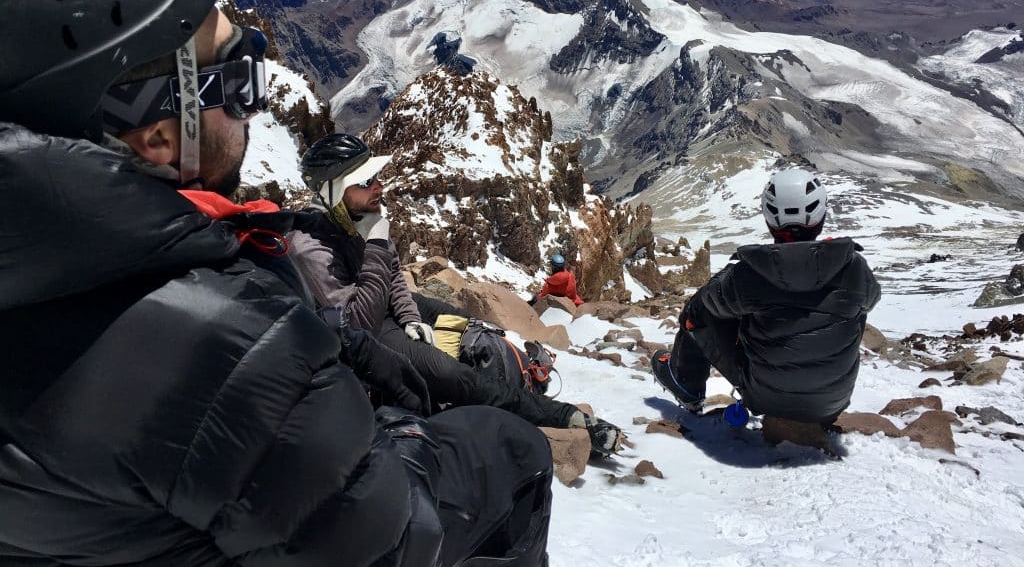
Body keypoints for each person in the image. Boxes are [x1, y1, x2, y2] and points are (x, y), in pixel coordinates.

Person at [0, 0, 553, 566]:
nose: (253, 103)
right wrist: (397, 431)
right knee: (513, 449)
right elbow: (390, 539)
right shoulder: (220, 345)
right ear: (154, 133)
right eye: (236, 78)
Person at [288, 133, 625, 457]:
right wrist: (376, 242)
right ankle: (560, 415)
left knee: (456, 316)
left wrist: (408, 316)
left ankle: (507, 359)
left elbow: (391, 275)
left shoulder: (357, 215)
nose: (378, 187)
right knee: (450, 374)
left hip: (384, 309)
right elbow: (357, 324)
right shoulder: (310, 249)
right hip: (367, 331)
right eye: (364, 182)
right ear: (332, 192)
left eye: (375, 176)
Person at [652, 167, 881, 426]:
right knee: (854, 309)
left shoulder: (749, 273)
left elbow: (706, 302)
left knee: (699, 311)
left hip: (763, 397)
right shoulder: (855, 267)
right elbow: (871, 300)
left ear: (769, 217)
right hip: (832, 402)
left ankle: (687, 386)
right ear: (821, 215)